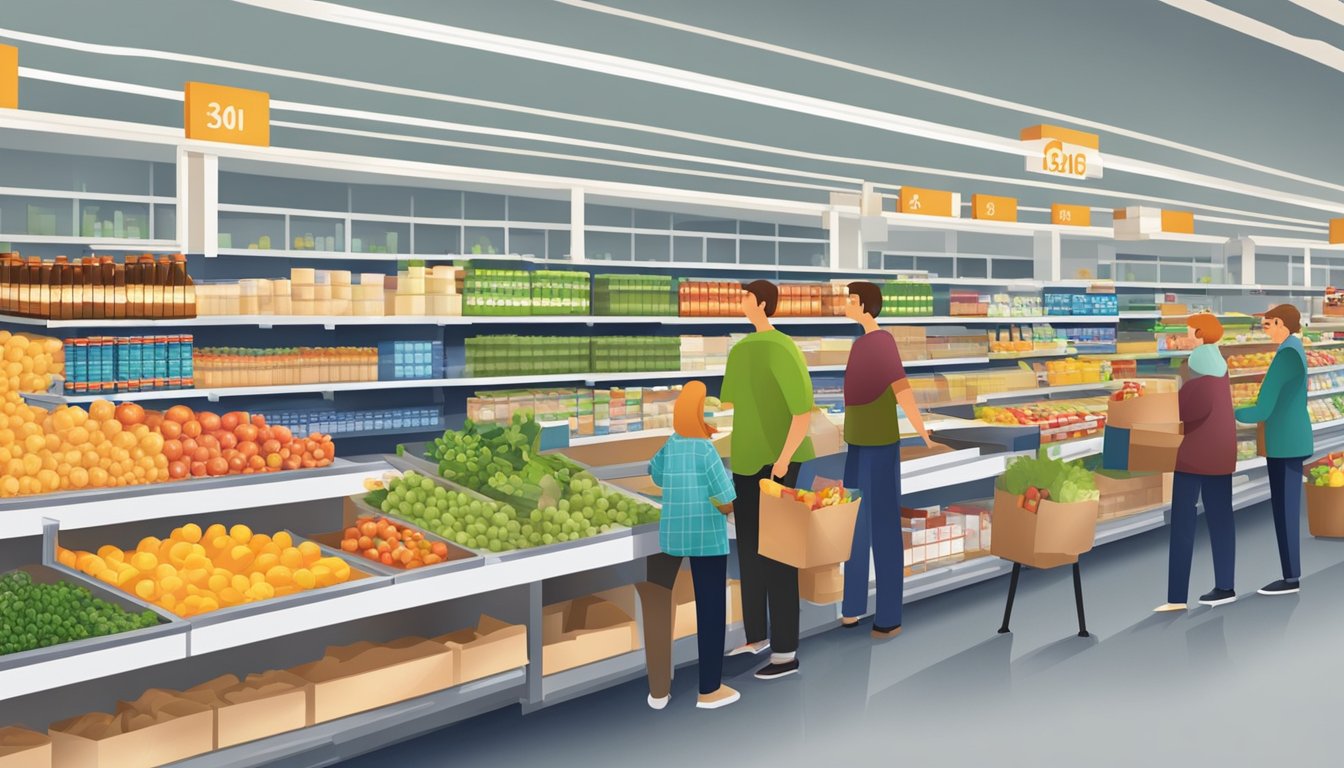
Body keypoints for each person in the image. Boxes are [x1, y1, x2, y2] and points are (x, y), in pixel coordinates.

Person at [719, 279, 815, 681]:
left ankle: (785, 653)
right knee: (751, 554)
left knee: (779, 556)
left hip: (777, 462)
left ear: (761, 303)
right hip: (745, 460)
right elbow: (732, 405)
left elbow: (802, 411)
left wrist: (783, 459)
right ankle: (756, 634)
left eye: (744, 297)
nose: (739, 302)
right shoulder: (741, 350)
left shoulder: (781, 348)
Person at [839, 282, 934, 638]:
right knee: (859, 527)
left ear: (866, 306)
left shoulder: (881, 342)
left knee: (877, 528)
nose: (846, 304)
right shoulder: (861, 343)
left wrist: (922, 431)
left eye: (851, 299)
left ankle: (887, 616)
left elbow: (901, 389)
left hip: (875, 445)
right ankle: (854, 608)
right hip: (860, 443)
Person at [641, 381, 739, 710]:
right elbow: (726, 499)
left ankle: (658, 692)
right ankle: (709, 690)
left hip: (671, 536)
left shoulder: (672, 444)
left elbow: (654, 474)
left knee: (658, 602)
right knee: (710, 609)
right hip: (706, 539)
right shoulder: (706, 450)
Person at [1155, 313, 1236, 612]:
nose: (1186, 337)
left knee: (1183, 525)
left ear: (1200, 336)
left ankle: (1177, 597)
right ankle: (1226, 586)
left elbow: (1182, 413)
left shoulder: (1197, 379)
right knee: (1222, 520)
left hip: (1193, 460)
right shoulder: (1221, 369)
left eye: (1189, 332)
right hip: (1221, 455)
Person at [1235, 304, 1313, 596]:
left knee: (1285, 511)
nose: (1264, 329)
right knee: (1285, 509)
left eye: (1267, 324)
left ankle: (1291, 577)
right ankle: (1290, 573)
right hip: (1289, 438)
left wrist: (1231, 412)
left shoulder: (1286, 356)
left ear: (1282, 323)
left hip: (1285, 441)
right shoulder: (1294, 348)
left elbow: (1263, 408)